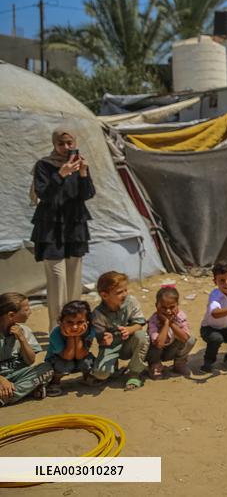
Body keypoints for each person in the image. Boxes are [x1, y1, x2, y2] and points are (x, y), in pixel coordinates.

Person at [30, 128, 96, 330]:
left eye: (70, 143)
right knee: (57, 279)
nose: (66, 148)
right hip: (51, 226)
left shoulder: (79, 164)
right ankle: (57, 331)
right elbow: (44, 194)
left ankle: (76, 326)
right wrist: (60, 174)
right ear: (54, 144)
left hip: (74, 225)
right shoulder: (44, 165)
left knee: (74, 277)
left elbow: (87, 194)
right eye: (61, 143)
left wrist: (83, 172)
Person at [91, 271, 148, 391]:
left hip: (128, 343)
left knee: (142, 336)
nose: (124, 294)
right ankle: (113, 369)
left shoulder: (131, 302)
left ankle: (134, 374)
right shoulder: (98, 314)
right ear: (104, 295)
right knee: (101, 374)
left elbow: (140, 323)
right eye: (119, 292)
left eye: (125, 290)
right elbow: (101, 339)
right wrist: (105, 339)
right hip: (111, 346)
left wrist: (129, 329)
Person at [0, 292, 52, 405]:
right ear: (11, 315)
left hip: (19, 374)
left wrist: (22, 339)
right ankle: (28, 390)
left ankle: (6, 396)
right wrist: (2, 380)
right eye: (27, 309)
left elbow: (30, 361)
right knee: (40, 380)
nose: (30, 312)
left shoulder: (24, 331)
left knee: (47, 368)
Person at [46, 300, 96, 395]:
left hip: (78, 357)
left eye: (80, 322)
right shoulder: (56, 333)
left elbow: (81, 355)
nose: (75, 327)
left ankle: (86, 377)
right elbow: (67, 356)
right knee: (65, 364)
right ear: (61, 322)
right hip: (59, 360)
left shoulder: (90, 331)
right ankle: (54, 381)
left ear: (87, 322)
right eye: (69, 322)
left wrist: (77, 336)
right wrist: (70, 337)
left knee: (87, 361)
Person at [146, 286, 196, 379]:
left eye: (172, 307)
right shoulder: (153, 320)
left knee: (191, 340)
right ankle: (154, 365)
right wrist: (166, 323)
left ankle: (179, 364)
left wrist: (171, 324)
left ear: (177, 305)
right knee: (153, 346)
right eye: (164, 308)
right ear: (157, 305)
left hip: (171, 350)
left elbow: (185, 338)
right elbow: (159, 344)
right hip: (156, 352)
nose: (168, 311)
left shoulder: (180, 316)